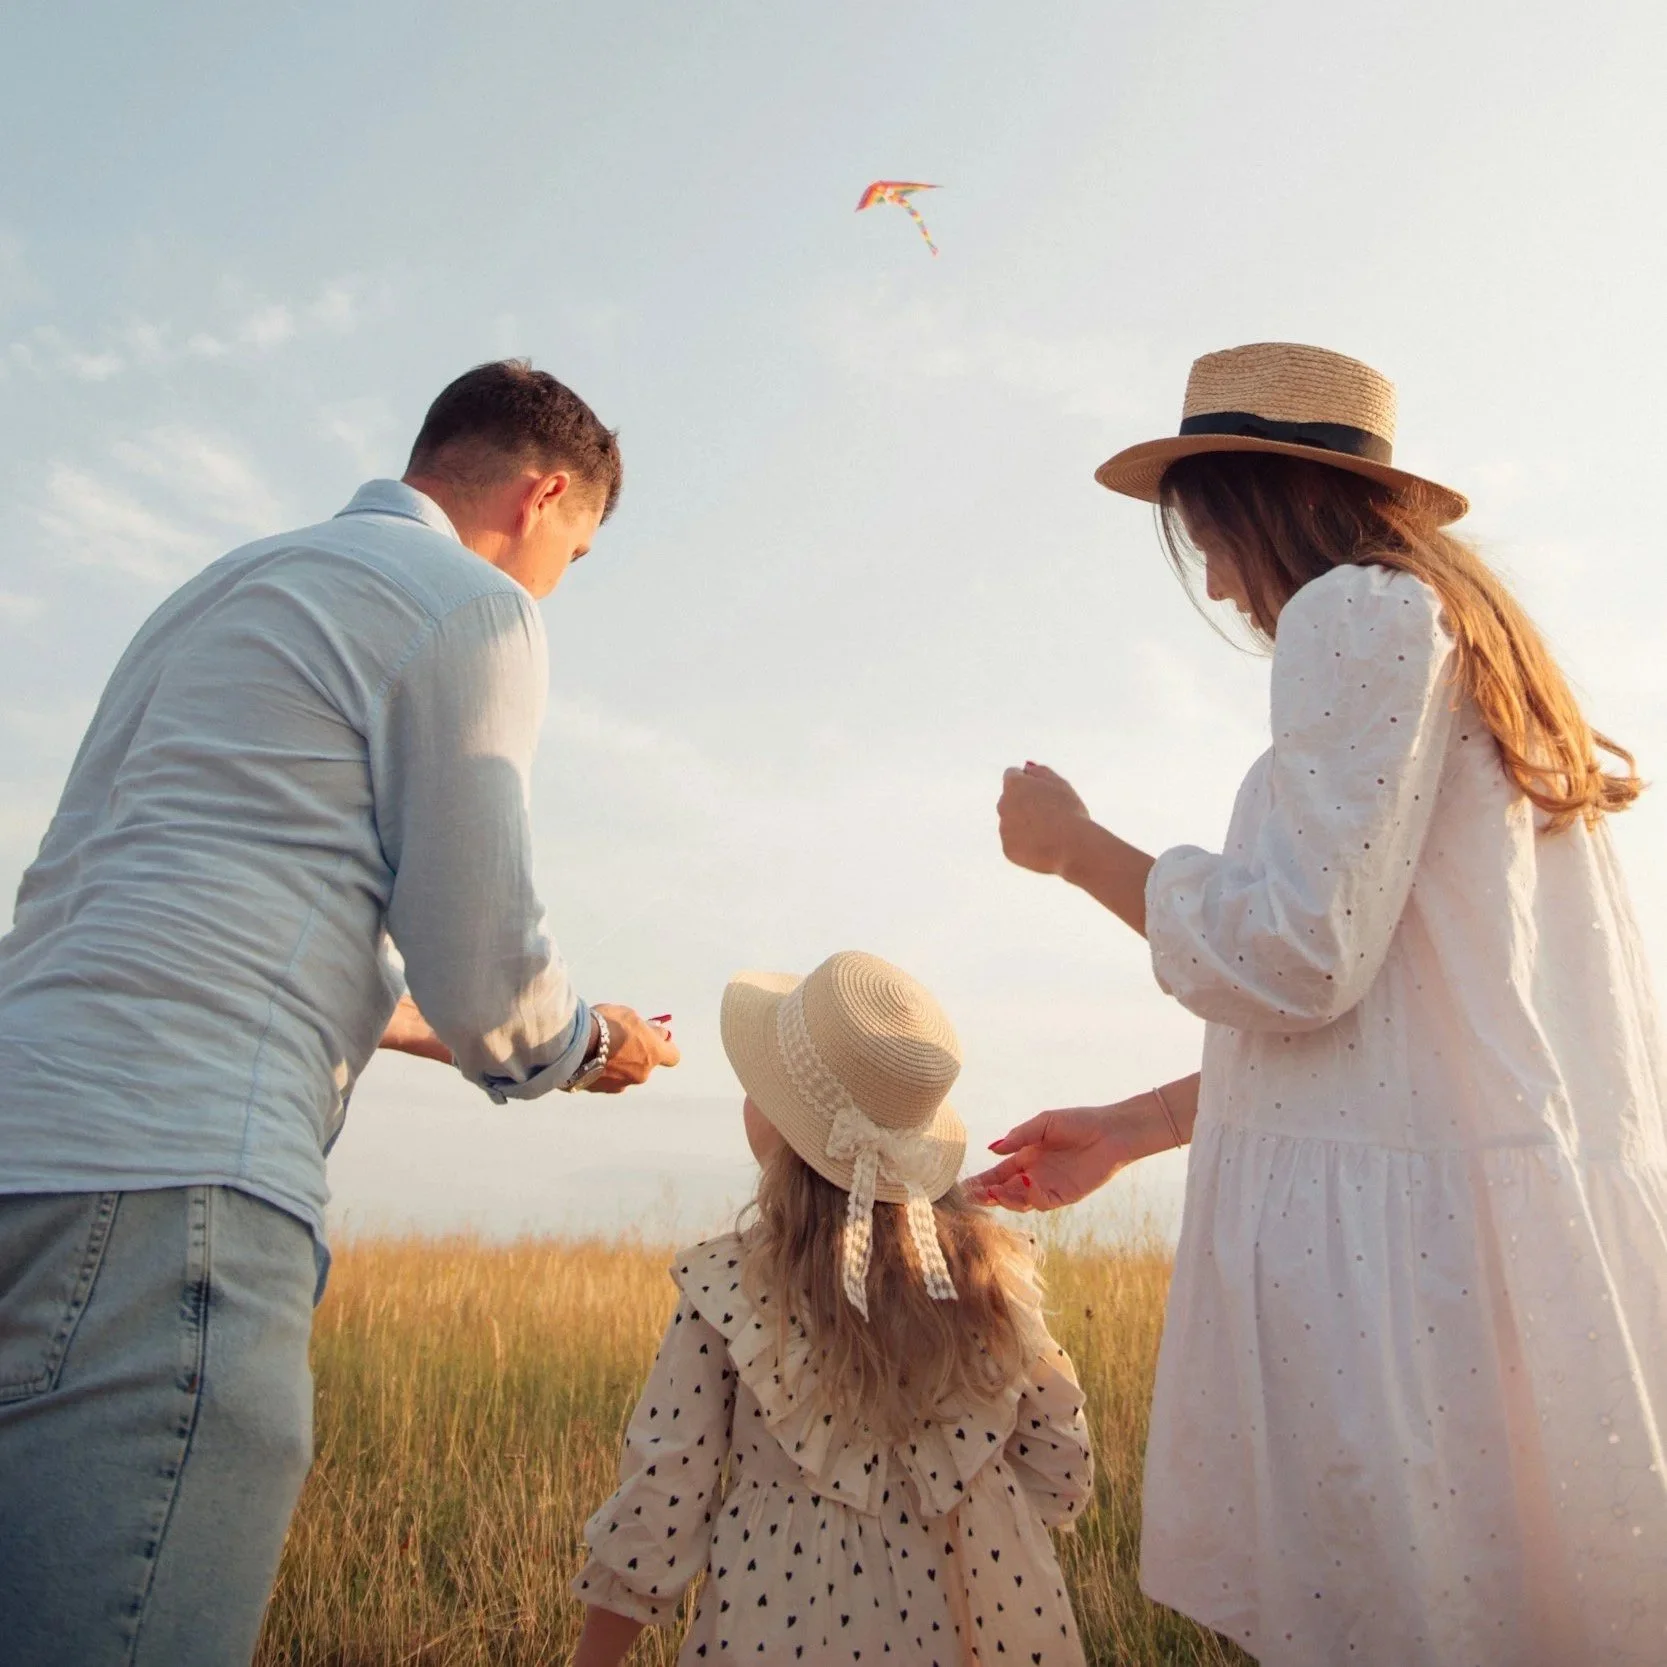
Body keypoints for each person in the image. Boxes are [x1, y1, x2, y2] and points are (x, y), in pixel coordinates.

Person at [971, 342, 1667, 1667]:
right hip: (1456, 1265)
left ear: (1247, 502)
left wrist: (1076, 846)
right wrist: (1135, 1122)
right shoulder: (1455, 648)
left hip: (1388, 1293)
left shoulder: (1350, 614)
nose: (1217, 581)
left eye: (1201, 538)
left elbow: (1301, 952)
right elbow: (1409, 1026)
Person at [0, 359, 680, 1667]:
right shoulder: (470, 607)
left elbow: (227, 935)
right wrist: (589, 1039)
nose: (557, 584)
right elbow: (490, 976)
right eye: (576, 553)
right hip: (166, 1195)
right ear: (544, 496)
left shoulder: (212, 595)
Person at [570, 951, 1093, 1666]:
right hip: (986, 1614)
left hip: (783, 1620)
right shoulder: (992, 1276)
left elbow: (662, 1494)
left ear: (787, 1127)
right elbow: (1063, 1466)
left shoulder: (729, 1284)